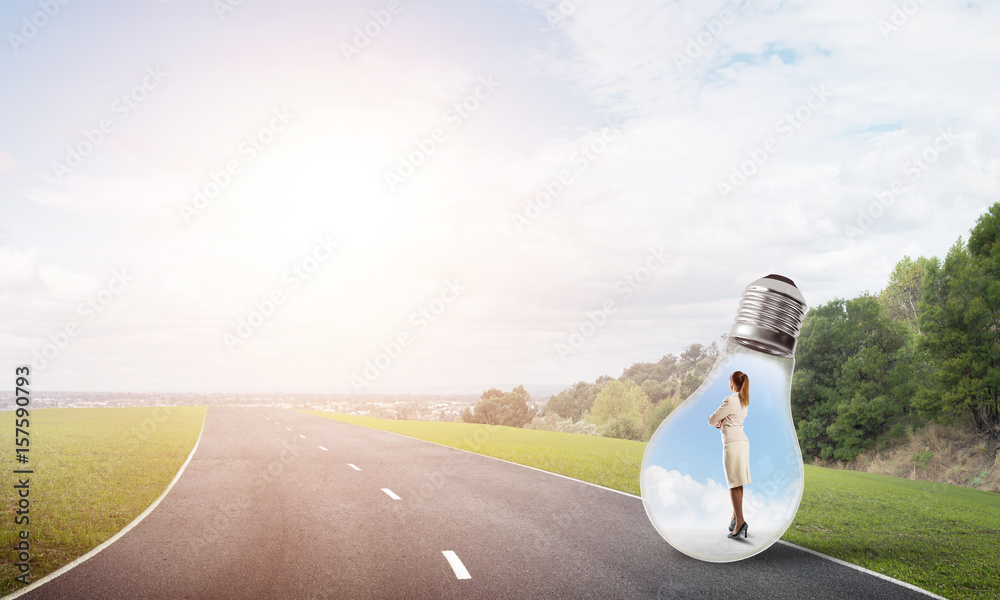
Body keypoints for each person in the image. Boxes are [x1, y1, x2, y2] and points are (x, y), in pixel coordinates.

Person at [708, 370, 751, 539]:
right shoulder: (744, 401)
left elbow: (712, 419)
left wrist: (718, 422)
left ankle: (740, 522)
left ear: (732, 383)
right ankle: (735, 518)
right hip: (743, 442)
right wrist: (723, 423)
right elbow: (732, 420)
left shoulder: (730, 400)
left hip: (732, 443)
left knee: (733, 484)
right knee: (739, 482)